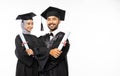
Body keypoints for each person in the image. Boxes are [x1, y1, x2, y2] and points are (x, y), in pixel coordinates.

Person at [39, 6, 70, 76]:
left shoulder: (64, 37)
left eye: (54, 19)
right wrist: (49, 52)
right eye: (49, 19)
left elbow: (55, 57)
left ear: (59, 21)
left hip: (58, 72)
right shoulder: (42, 38)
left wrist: (42, 53)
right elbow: (36, 52)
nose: (51, 22)